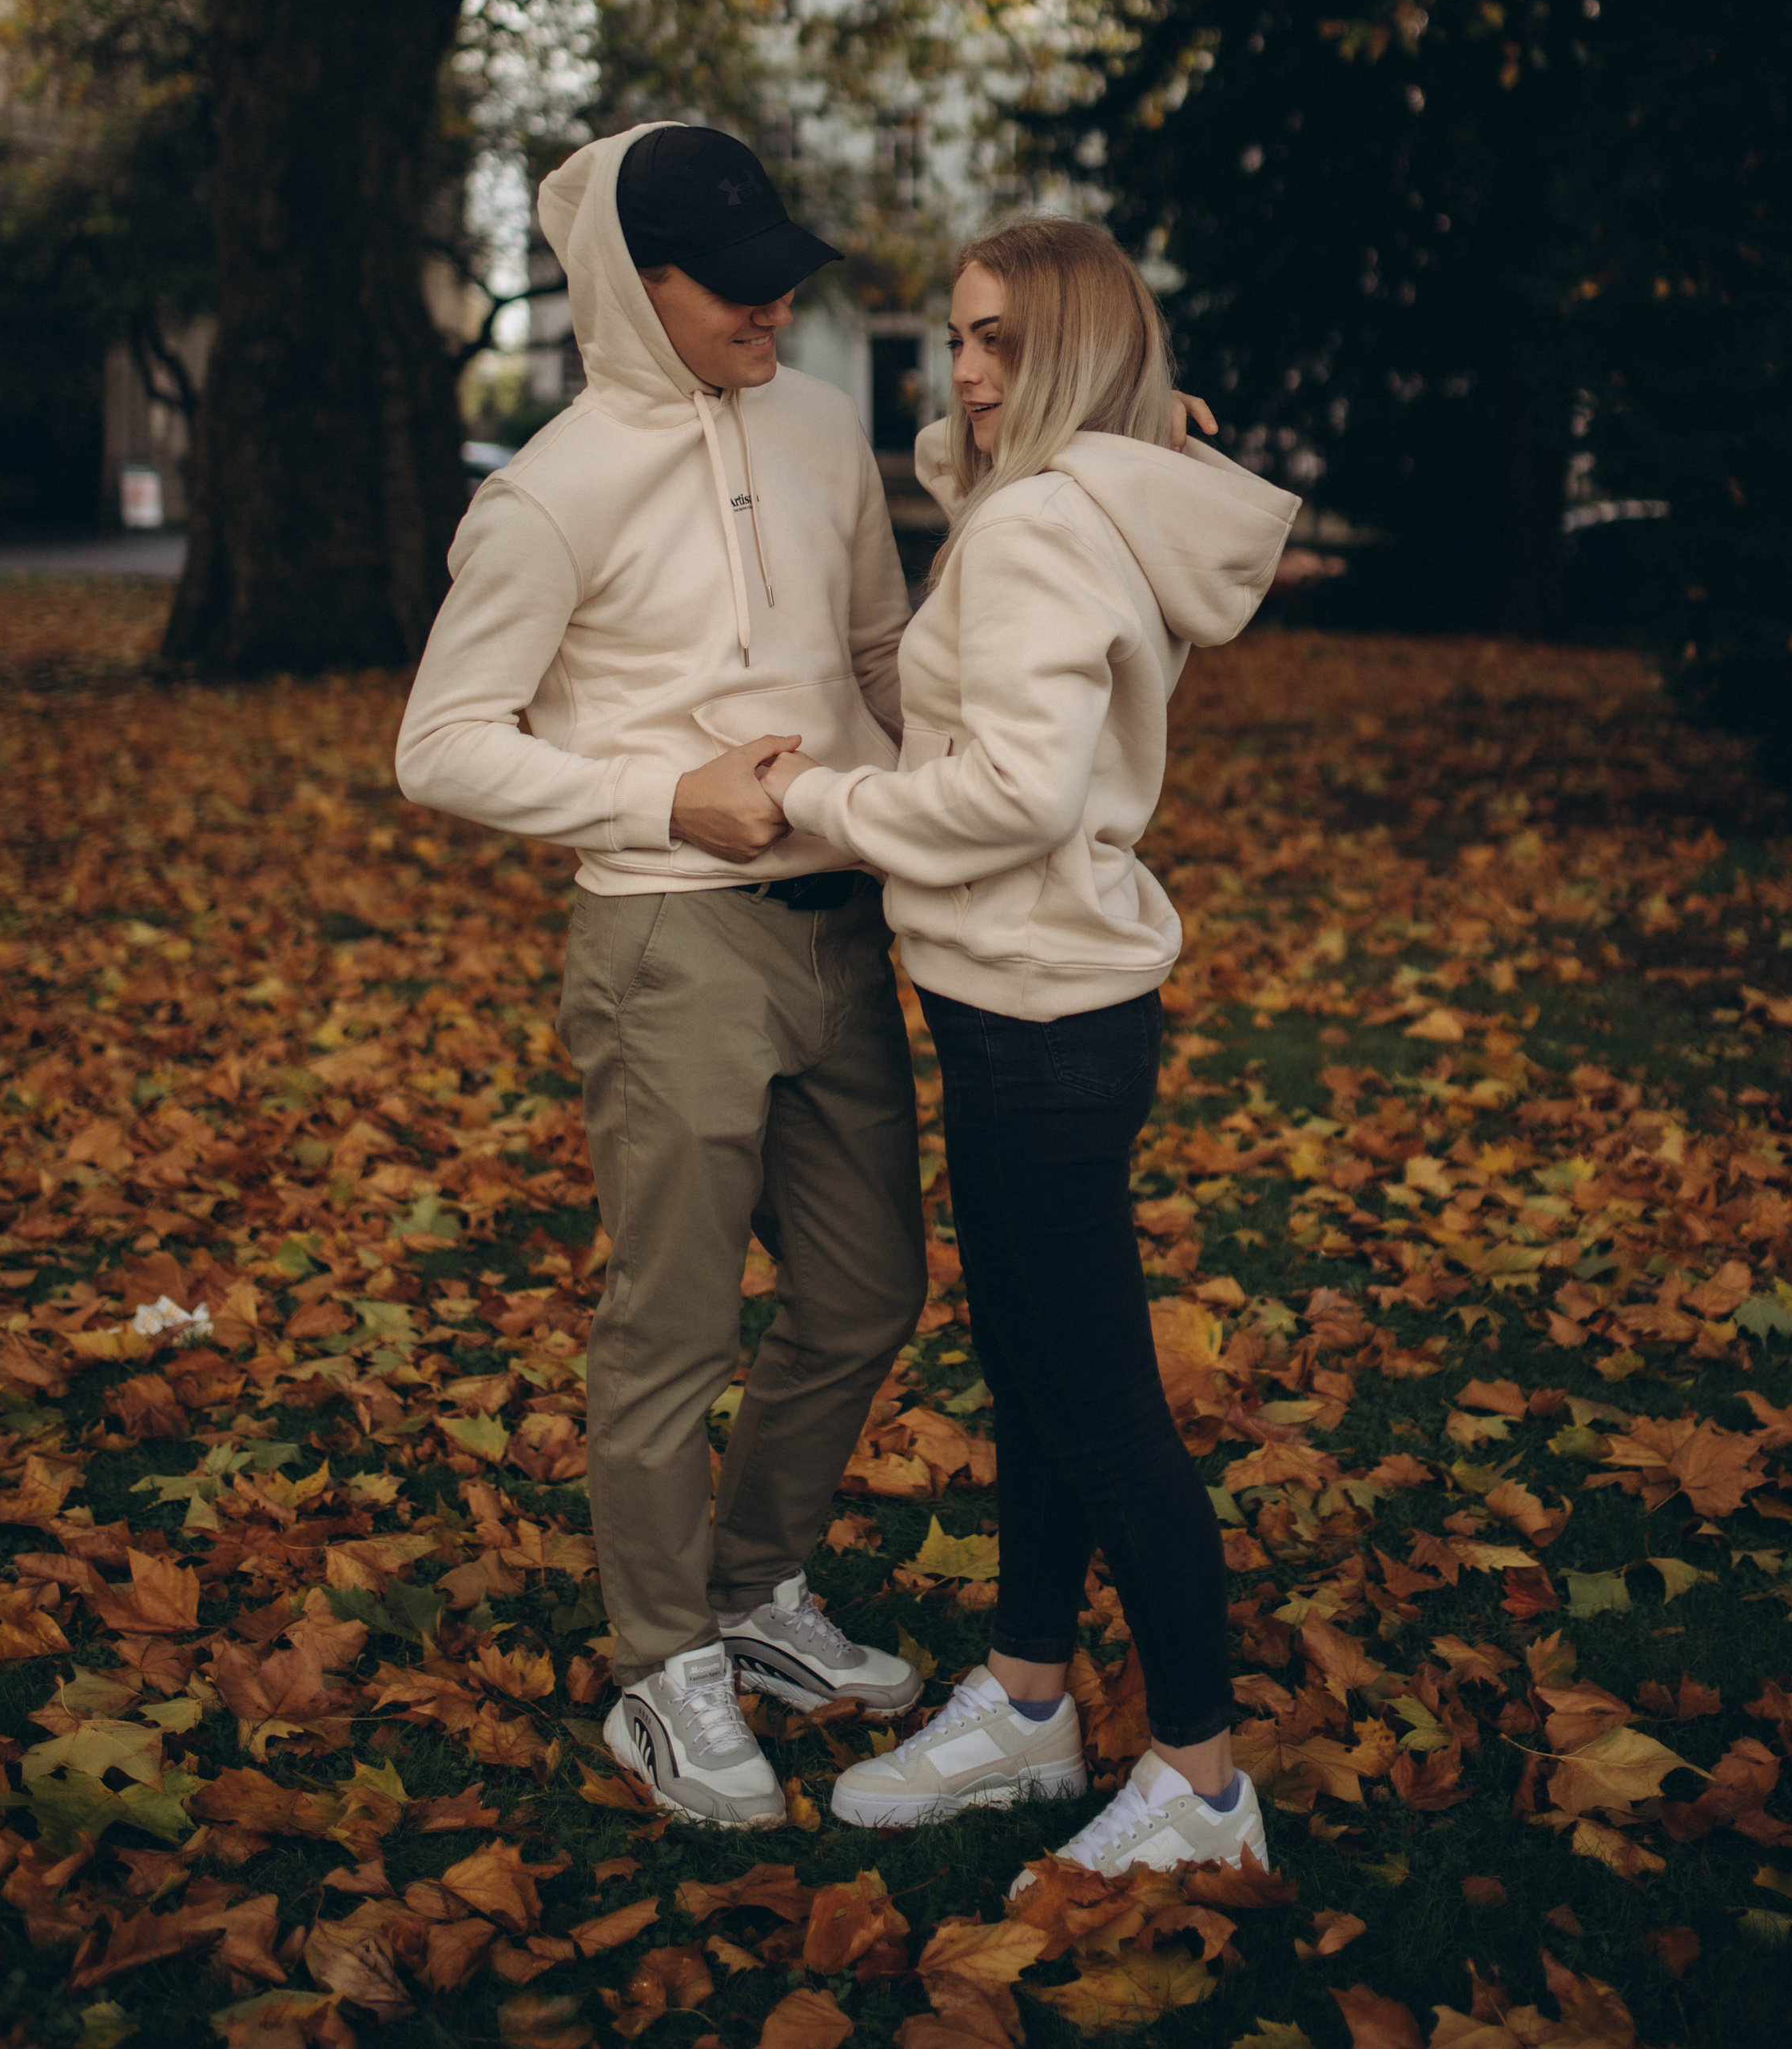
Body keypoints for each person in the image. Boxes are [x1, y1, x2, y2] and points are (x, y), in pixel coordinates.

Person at [395, 122, 928, 1828]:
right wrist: (654, 796)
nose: (773, 303)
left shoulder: (824, 426)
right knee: (674, 1327)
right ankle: (659, 1671)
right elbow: (440, 747)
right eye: (736, 284)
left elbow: (870, 655)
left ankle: (748, 1595)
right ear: (636, 285)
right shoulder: (545, 491)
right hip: (664, 937)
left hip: (839, 919)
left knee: (862, 1297)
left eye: (784, 273)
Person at [757, 217, 1299, 1885]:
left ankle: (1201, 1787)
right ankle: (1026, 1697)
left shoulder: (1040, 533)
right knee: (1040, 1381)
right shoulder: (1071, 502)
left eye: (994, 344)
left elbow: (1008, 792)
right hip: (1043, 1009)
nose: (960, 374)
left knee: (1094, 1403)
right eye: (954, 339)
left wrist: (812, 800)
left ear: (1058, 353)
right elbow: (982, 480)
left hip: (1043, 1021)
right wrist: (1110, 416)